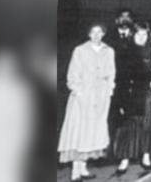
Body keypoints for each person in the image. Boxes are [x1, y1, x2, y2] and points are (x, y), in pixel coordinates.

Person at [58, 23, 116, 182]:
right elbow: (73, 72)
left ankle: (83, 168)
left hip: (101, 96)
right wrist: (78, 90)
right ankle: (75, 171)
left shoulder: (109, 51)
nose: (96, 35)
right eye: (93, 32)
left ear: (104, 33)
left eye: (99, 32)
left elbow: (111, 72)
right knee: (80, 131)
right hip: (83, 96)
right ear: (88, 34)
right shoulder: (80, 50)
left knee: (93, 132)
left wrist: (109, 89)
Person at [111, 22, 151, 175]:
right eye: (138, 34)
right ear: (132, 35)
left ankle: (146, 156)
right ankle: (125, 159)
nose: (142, 37)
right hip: (133, 95)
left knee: (150, 126)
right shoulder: (126, 51)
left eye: (145, 34)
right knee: (129, 128)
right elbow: (134, 73)